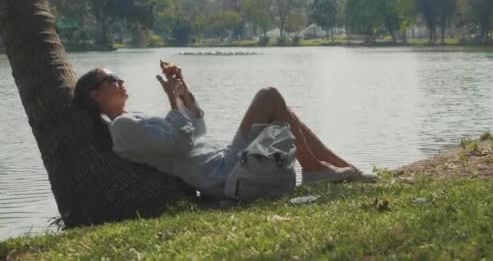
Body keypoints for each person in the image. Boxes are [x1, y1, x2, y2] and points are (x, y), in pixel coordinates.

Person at [72, 62, 375, 200]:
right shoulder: (123, 129)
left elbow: (196, 130)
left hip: (223, 162)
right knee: (268, 95)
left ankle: (338, 167)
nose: (120, 81)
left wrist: (184, 96)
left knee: (284, 112)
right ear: (95, 96)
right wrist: (172, 101)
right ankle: (315, 170)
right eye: (111, 79)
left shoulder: (133, 118)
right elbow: (180, 144)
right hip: (223, 173)